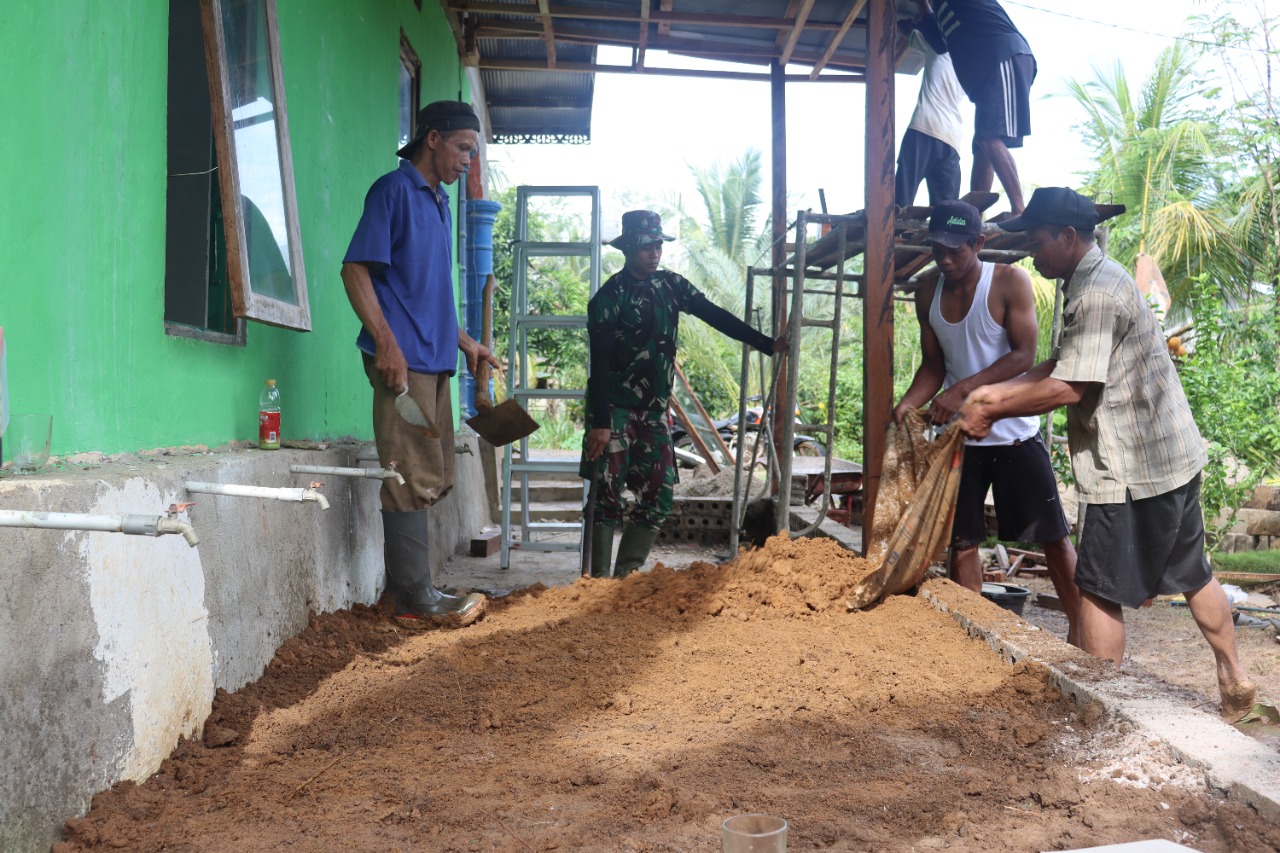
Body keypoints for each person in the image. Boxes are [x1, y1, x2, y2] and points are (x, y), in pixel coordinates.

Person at [957, 187, 1256, 721]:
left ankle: (1097, 712)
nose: (1030, 250)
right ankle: (1235, 679)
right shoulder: (1093, 279)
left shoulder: (1096, 291)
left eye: (1038, 240)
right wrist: (999, 392)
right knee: (1193, 574)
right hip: (1171, 457)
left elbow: (1072, 387)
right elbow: (1059, 364)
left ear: (1068, 237)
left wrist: (992, 411)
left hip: (1131, 468)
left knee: (1095, 589)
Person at [892, 200, 1081, 644]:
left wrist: (963, 391)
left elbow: (1023, 356)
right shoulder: (926, 290)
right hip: (960, 438)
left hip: (1013, 432)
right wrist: (907, 404)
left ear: (979, 243)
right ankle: (969, 640)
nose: (945, 259)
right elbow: (933, 366)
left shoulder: (1009, 281)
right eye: (938, 248)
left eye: (956, 250)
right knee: (963, 541)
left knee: (1052, 538)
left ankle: (1082, 630)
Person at [341, 100, 496, 629]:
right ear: (432, 139)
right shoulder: (394, 191)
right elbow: (355, 269)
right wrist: (386, 342)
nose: (465, 164)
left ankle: (418, 587)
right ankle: (413, 597)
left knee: (432, 474)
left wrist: (467, 343)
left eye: (471, 154)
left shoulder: (439, 203)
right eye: (461, 149)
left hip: (435, 363)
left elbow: (425, 294)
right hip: (400, 366)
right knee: (406, 474)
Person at [582, 211, 787, 578]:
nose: (654, 252)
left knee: (659, 496)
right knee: (606, 498)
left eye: (659, 245)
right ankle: (595, 584)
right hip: (613, 412)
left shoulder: (672, 286)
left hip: (654, 413)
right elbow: (598, 366)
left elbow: (714, 315)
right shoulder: (608, 298)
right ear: (629, 247)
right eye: (647, 246)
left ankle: (625, 578)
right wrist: (599, 423)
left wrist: (767, 344)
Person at [916, 0, 1035, 214]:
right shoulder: (944, 9)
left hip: (1002, 56)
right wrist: (922, 5)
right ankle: (974, 214)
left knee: (988, 139)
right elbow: (941, 44)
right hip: (987, 73)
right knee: (982, 147)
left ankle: (1019, 210)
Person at [895, 20, 966, 207]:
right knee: (946, 211)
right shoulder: (968, 69)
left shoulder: (938, 48)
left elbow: (905, 28)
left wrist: (914, 24)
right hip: (952, 139)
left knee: (901, 199)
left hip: (924, 128)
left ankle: (892, 232)